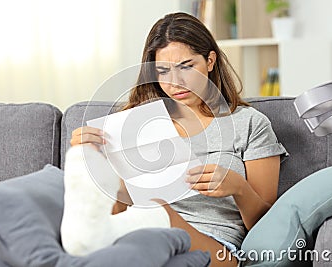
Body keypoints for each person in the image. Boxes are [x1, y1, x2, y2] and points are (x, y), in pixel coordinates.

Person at [61, 12, 288, 267]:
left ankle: (92, 241)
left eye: (186, 67)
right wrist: (94, 159)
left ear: (210, 60)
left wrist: (238, 187)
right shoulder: (133, 124)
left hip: (216, 247)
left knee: (157, 213)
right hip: (136, 236)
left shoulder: (249, 123)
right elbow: (118, 209)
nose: (175, 83)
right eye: (162, 71)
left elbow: (269, 228)